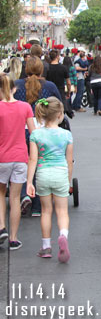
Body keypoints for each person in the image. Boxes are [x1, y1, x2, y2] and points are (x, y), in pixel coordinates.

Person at [14, 57, 63, 217]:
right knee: (41, 164)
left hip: (21, 130)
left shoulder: (17, 85)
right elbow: (58, 104)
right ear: (42, 69)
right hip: (43, 131)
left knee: (23, 164)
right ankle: (37, 206)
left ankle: (23, 194)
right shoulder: (49, 86)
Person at [26, 97, 73, 262]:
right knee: (62, 211)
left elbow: (32, 159)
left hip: (43, 173)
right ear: (60, 114)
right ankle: (63, 236)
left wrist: (29, 182)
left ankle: (46, 246)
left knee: (46, 211)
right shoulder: (66, 135)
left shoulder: (36, 134)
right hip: (60, 173)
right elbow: (69, 161)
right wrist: (68, 181)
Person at [0, 75, 36, 251]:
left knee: (1, 194)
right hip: (20, 157)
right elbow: (34, 134)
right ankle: (14, 238)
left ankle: (1, 228)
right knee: (15, 198)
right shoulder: (25, 107)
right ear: (14, 89)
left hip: (1, 158)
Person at [45, 50, 72, 117]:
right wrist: (68, 92)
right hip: (60, 91)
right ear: (57, 57)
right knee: (61, 109)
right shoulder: (63, 68)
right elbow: (68, 82)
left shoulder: (47, 68)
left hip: (49, 92)